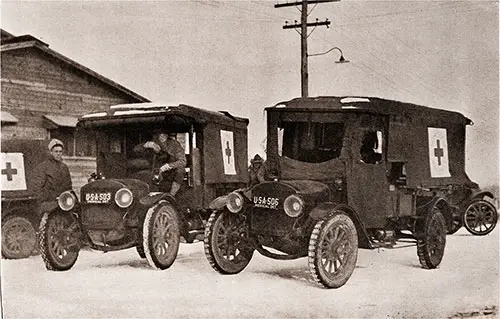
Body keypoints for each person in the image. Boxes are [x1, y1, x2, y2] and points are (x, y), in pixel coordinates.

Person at [134, 131, 186, 197]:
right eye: (159, 134)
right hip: (154, 170)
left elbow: (182, 161)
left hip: (170, 172)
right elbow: (136, 150)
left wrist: (168, 166)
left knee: (180, 171)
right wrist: (147, 144)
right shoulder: (154, 142)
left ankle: (171, 196)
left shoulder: (175, 145)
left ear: (168, 135)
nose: (162, 136)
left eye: (164, 134)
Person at [31, 138, 72, 212]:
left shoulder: (64, 167)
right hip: (49, 203)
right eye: (56, 151)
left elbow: (68, 186)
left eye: (60, 151)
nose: (58, 154)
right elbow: (38, 188)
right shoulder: (43, 167)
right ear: (51, 152)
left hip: (63, 203)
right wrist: (48, 200)